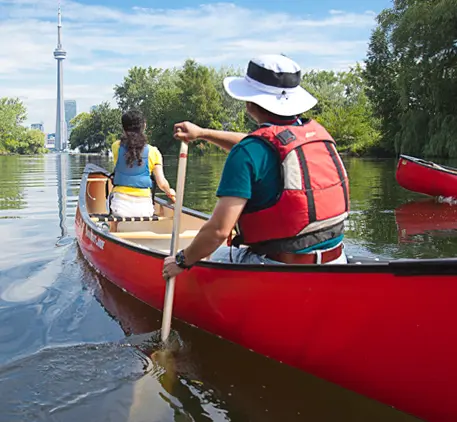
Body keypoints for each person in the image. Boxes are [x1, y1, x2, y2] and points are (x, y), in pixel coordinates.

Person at [163, 54, 349, 280]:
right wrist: (202, 134)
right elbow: (258, 142)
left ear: (250, 103)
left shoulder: (248, 153)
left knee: (207, 255)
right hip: (337, 261)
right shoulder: (313, 135)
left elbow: (218, 232)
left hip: (278, 268)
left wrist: (182, 260)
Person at [109, 110, 176, 218]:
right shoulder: (154, 152)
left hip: (119, 208)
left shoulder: (116, 146)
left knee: (111, 196)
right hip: (145, 211)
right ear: (144, 127)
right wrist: (170, 192)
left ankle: (114, 230)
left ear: (123, 128)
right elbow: (162, 183)